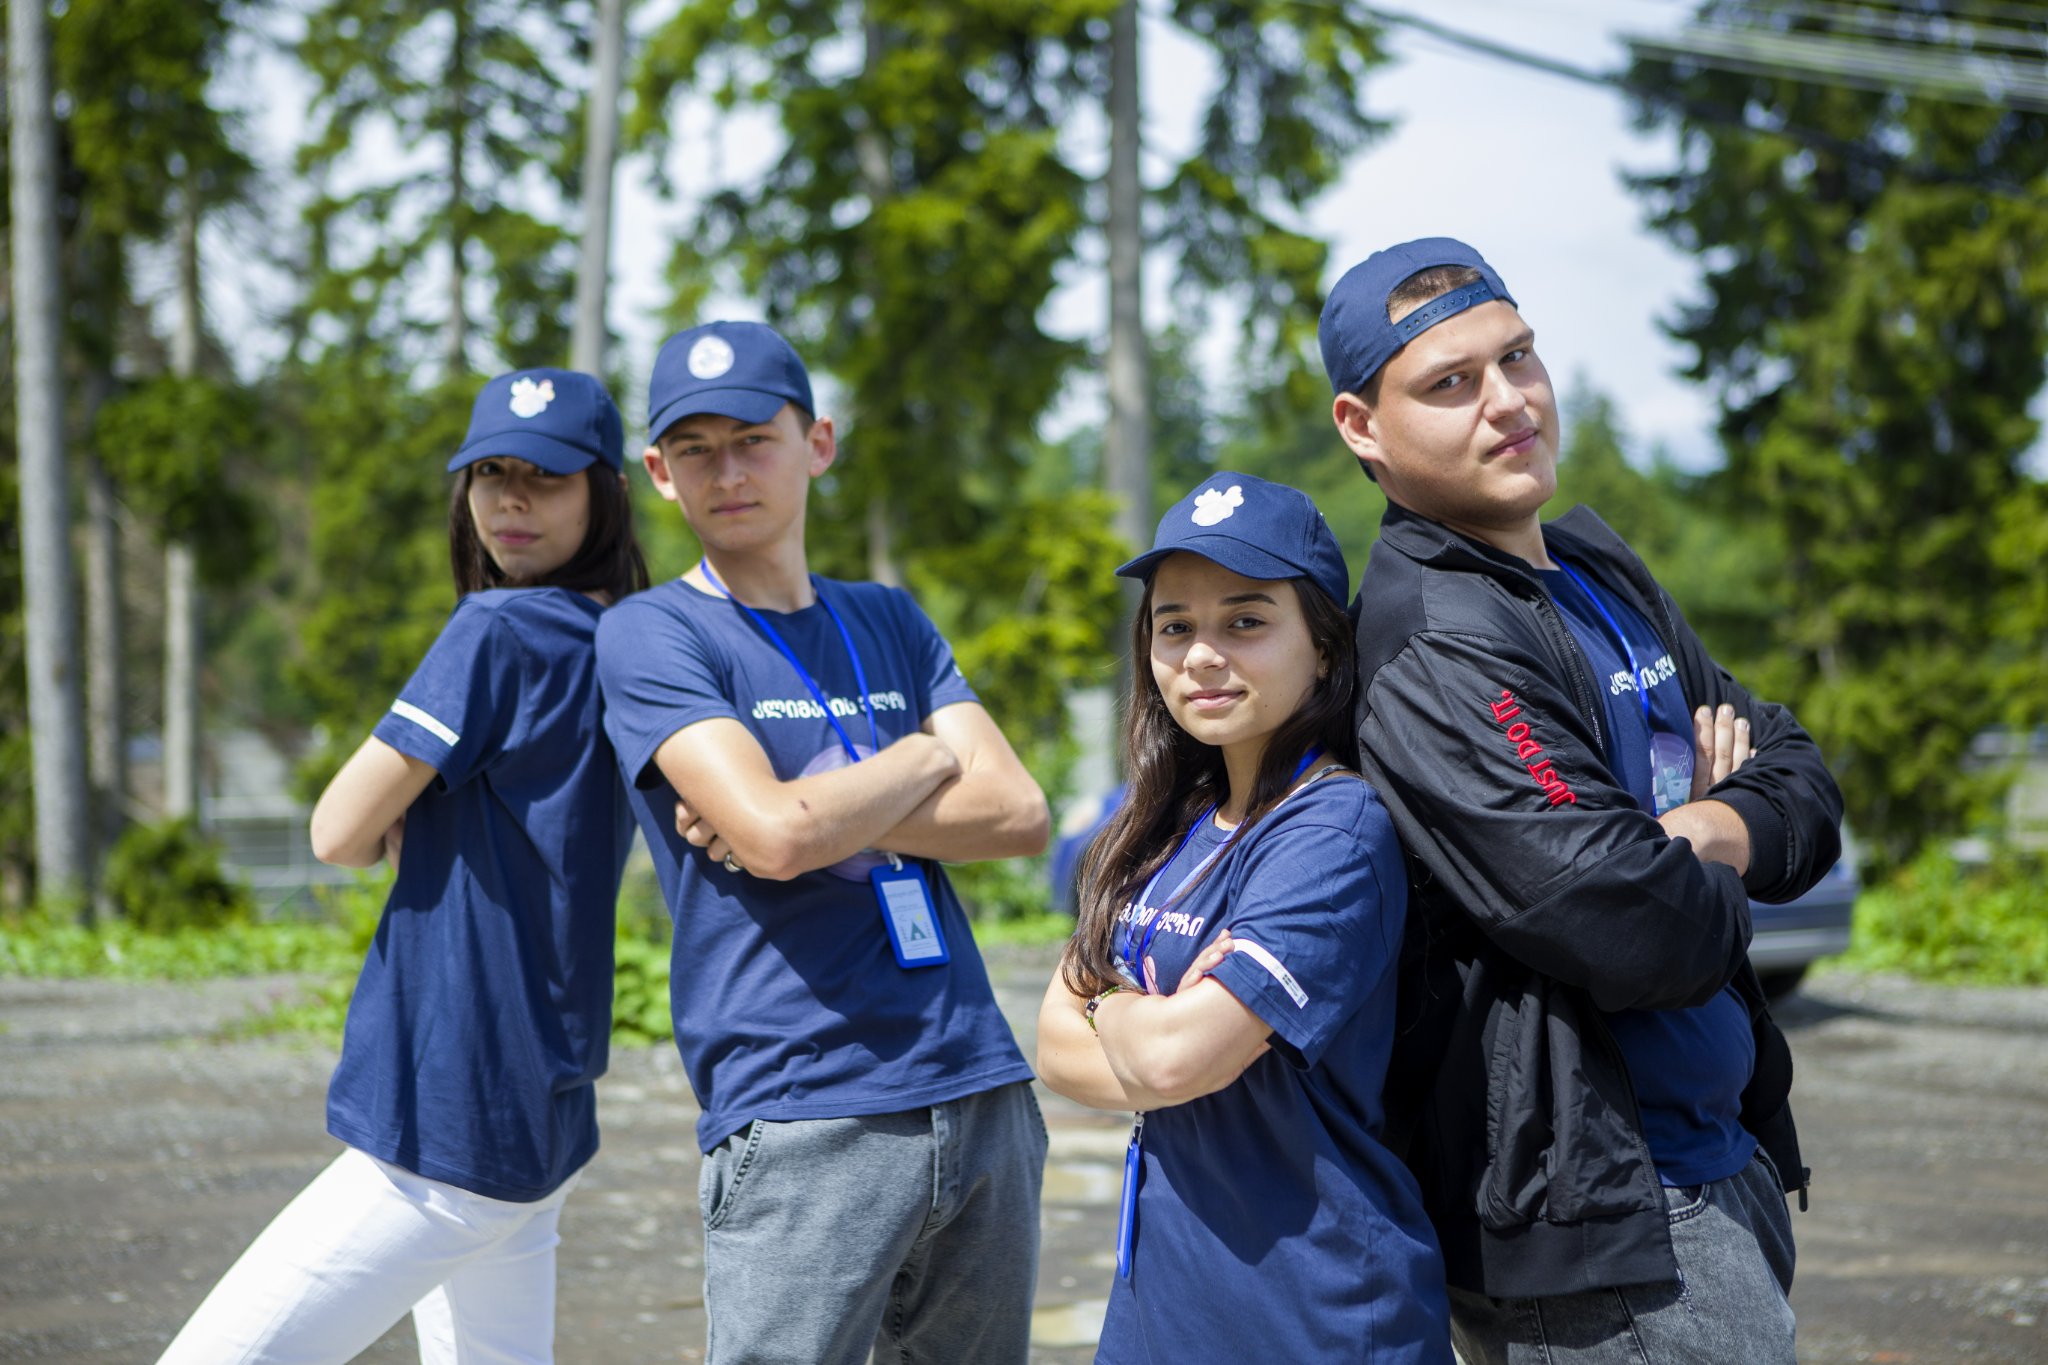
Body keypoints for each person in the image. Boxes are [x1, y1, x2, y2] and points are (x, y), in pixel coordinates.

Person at [1318, 237, 1846, 1364]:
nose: (1509, 401)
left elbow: (1802, 774)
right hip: (1606, 1224)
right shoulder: (1435, 646)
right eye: (1451, 383)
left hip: (1722, 1160)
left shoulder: (1595, 573)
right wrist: (1705, 848)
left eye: (1518, 357)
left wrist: (1705, 828)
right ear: (1362, 426)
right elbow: (1627, 920)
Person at [158, 368, 648, 1364]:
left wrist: (407, 811)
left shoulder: (494, 630)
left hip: (446, 1109)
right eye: (491, 473)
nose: (511, 500)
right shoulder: (628, 641)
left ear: (605, 490)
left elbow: (337, 830)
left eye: (545, 477)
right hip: (542, 1107)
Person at [593, 320, 1051, 1364]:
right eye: (696, 450)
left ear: (818, 444)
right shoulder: (653, 632)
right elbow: (773, 836)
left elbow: (1019, 812)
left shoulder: (887, 616)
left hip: (978, 1085)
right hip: (801, 1105)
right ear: (659, 473)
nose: (728, 472)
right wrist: (924, 755)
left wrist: (808, 807)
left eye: (754, 439)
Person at [1036, 471, 1453, 1365]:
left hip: (1314, 1311)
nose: (1201, 655)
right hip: (1161, 1304)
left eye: (1246, 621)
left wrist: (1112, 1008)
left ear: (1326, 648)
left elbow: (1172, 1057)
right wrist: (1151, 1024)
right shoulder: (1162, 824)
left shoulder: (1334, 827)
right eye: (1175, 626)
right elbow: (1053, 1046)